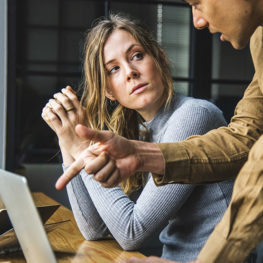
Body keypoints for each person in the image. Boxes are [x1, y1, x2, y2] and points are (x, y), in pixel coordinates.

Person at [56, 1, 263, 263]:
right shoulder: (143, 132)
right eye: (114, 69)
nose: (130, 72)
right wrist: (68, 141)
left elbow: (131, 232)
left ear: (160, 59)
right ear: (108, 90)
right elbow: (95, 230)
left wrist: (81, 150)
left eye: (137, 55)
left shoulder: (194, 114)